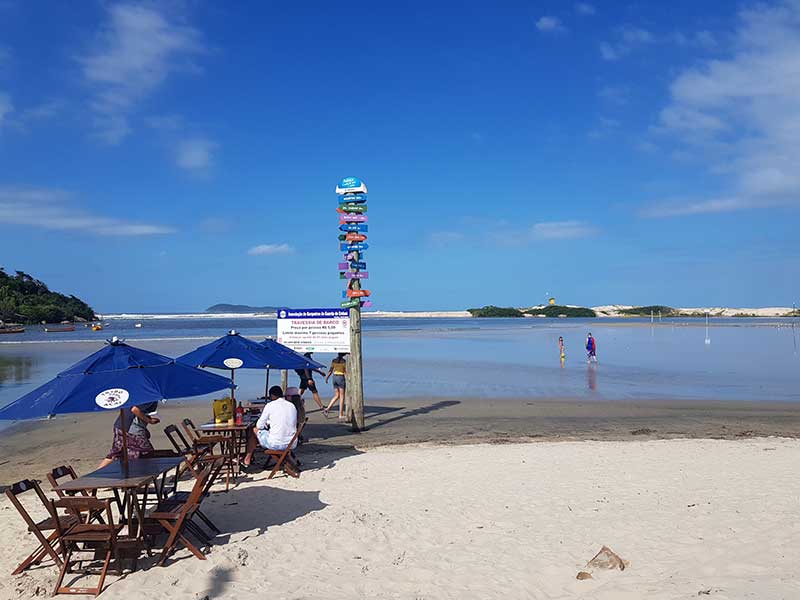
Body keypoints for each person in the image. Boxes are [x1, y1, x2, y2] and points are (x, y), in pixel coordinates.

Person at [242, 385, 298, 468]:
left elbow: (259, 425)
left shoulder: (270, 405)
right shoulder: (291, 406)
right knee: (268, 432)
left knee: (254, 430)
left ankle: (247, 459)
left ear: (272, 395)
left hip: (276, 443)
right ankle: (286, 459)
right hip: (292, 443)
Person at [97, 402, 160, 468]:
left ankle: (96, 473)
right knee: (147, 452)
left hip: (120, 425)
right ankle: (145, 474)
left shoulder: (139, 394)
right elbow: (134, 409)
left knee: (116, 453)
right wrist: (149, 421)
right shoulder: (149, 398)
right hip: (131, 429)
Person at [324, 353, 347, 421]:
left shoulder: (334, 360)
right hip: (340, 377)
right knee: (342, 396)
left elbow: (331, 370)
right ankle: (340, 414)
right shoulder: (344, 361)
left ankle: (327, 409)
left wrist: (327, 378)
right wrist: (348, 379)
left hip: (334, 377)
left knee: (337, 395)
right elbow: (345, 372)